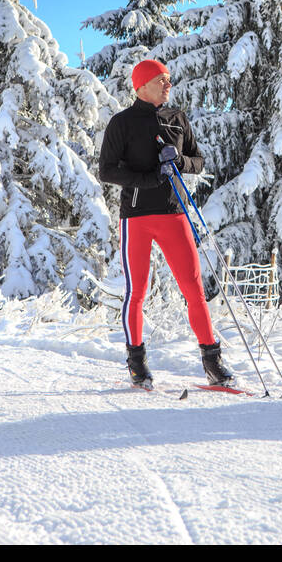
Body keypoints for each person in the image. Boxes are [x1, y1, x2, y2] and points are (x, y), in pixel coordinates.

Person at [97, 59, 233, 389]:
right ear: (141, 85)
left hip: (174, 215)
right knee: (137, 292)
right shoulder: (122, 123)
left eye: (169, 79)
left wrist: (180, 161)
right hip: (136, 218)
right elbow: (107, 171)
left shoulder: (177, 119)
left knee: (194, 288)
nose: (168, 84)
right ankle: (137, 364)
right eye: (161, 79)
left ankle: (212, 362)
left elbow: (198, 162)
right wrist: (149, 178)